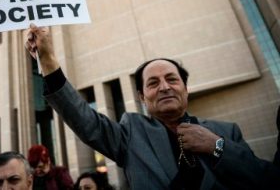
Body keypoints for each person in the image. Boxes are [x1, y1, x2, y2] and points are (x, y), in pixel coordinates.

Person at [25, 24, 280, 189]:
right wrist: (47, 60)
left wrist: (217, 147)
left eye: (172, 79)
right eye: (153, 83)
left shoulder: (227, 132)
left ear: (185, 88)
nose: (165, 87)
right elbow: (84, 119)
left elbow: (262, 180)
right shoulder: (130, 133)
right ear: (142, 97)